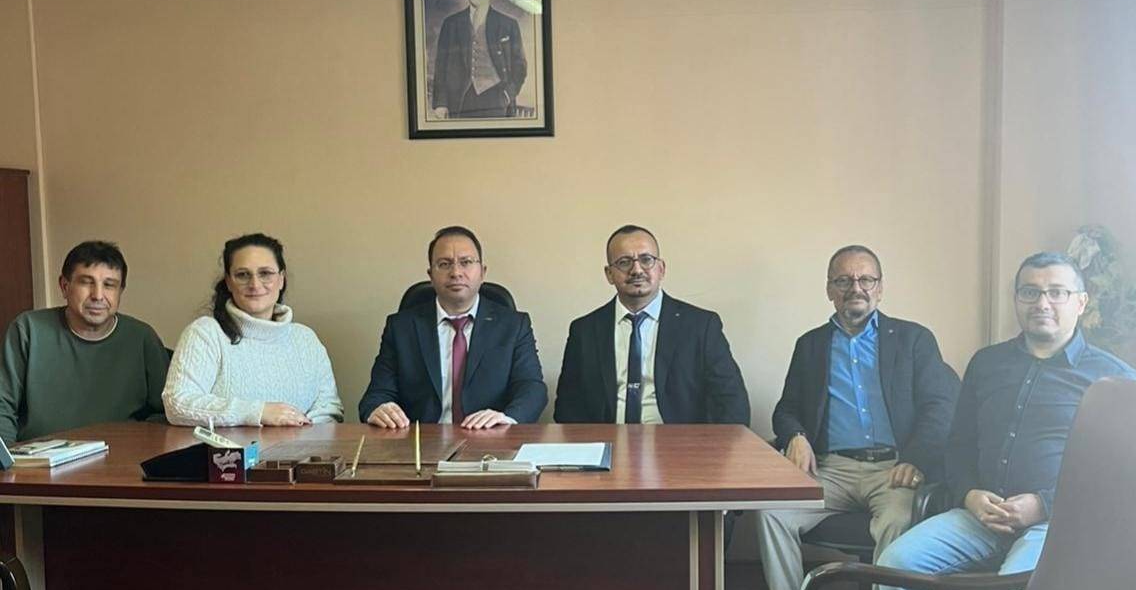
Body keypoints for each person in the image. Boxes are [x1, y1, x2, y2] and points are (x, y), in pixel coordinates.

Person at [877, 251, 1136, 590]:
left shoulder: (1115, 380)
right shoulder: (986, 363)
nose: (1042, 303)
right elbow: (959, 445)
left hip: (1053, 525)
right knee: (893, 567)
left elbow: (1119, 477)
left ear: (1081, 302)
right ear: (1016, 299)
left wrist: (1042, 505)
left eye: (1057, 292)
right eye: (1030, 292)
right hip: (979, 517)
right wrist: (969, 494)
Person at [757, 245, 960, 590]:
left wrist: (916, 459)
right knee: (771, 514)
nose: (856, 288)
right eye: (844, 280)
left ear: (880, 288)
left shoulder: (913, 339)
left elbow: (940, 407)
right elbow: (786, 409)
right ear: (829, 290)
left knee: (897, 521)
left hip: (894, 469)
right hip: (831, 469)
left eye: (866, 279)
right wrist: (796, 436)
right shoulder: (810, 345)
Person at [554, 224, 750, 425]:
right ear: (609, 274)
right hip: (608, 440)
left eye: (646, 260)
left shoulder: (701, 326)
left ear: (661, 268)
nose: (636, 270)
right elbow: (567, 408)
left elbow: (732, 403)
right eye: (624, 262)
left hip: (680, 441)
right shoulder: (584, 331)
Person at [359, 226, 546, 429]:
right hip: (420, 442)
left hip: (490, 438)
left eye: (466, 262)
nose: (456, 273)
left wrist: (506, 418)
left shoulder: (514, 325)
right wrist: (378, 408)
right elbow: (377, 394)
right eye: (444, 264)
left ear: (482, 272)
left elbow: (532, 389)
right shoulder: (401, 328)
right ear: (431, 275)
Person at [162, 233, 343, 427]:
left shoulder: (306, 339)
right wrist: (259, 412)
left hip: (303, 446)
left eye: (265, 273)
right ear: (228, 282)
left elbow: (330, 408)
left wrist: (299, 429)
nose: (255, 285)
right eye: (243, 275)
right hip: (226, 448)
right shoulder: (205, 333)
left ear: (281, 279)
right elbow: (177, 403)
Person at [0, 241, 168, 444]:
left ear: (120, 291)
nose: (98, 296)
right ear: (65, 286)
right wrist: (7, 460)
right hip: (38, 457)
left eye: (109, 285)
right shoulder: (28, 330)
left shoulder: (143, 338)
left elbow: (168, 413)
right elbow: (3, 406)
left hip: (120, 456)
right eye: (86, 282)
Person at [431, 0, 527, 119]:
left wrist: (507, 95)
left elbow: (519, 66)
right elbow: (441, 66)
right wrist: (440, 103)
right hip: (460, 100)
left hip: (497, 99)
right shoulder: (451, 24)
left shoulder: (508, 24)